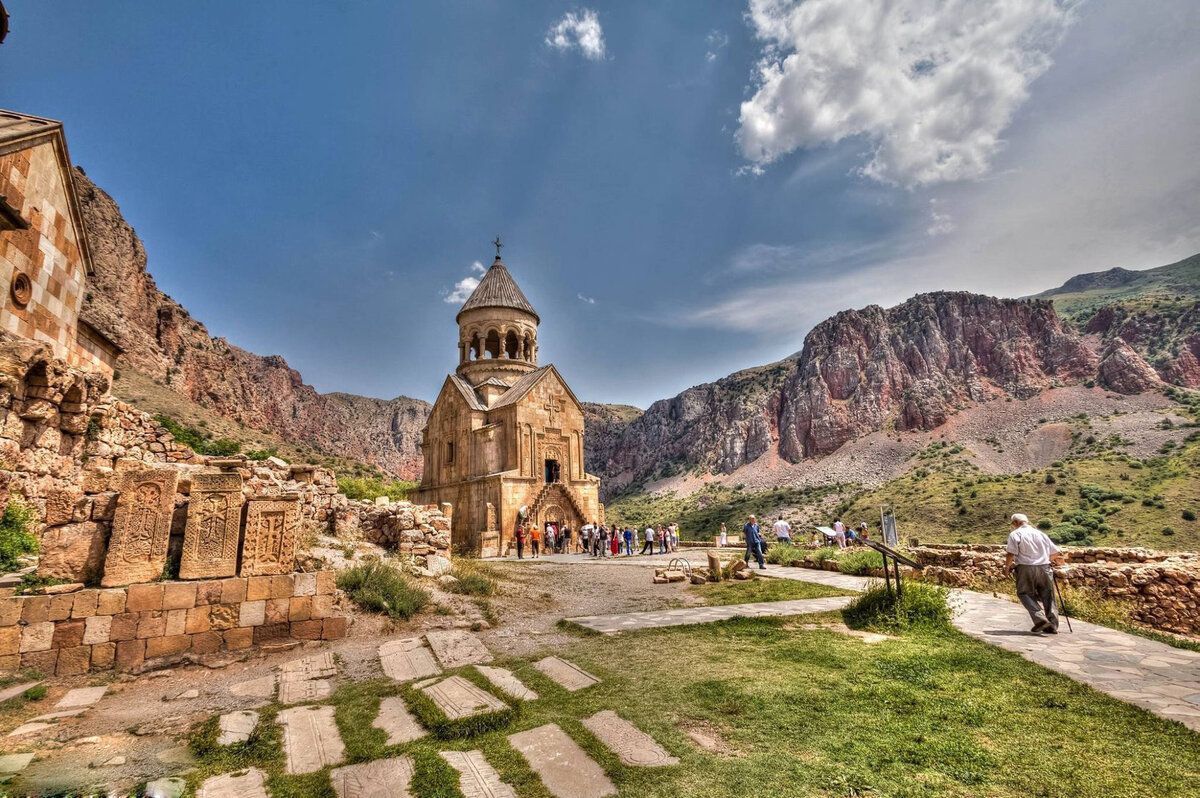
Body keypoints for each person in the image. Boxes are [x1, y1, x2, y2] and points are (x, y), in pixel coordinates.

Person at [1005, 513, 1064, 634]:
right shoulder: (1041, 534)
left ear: (1015, 523)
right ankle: (1052, 625)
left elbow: (1011, 552)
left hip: (1026, 567)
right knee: (1048, 595)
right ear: (1026, 521)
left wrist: (1007, 566)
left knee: (1024, 593)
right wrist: (1046, 559)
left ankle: (1040, 618)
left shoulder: (1016, 534)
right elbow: (1056, 552)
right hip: (1044, 567)